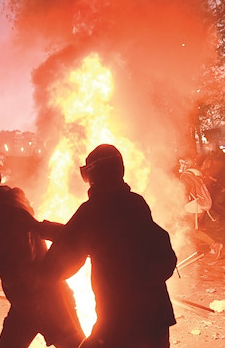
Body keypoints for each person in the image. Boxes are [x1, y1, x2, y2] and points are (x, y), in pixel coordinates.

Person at [40, 144, 177, 347]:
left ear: (94, 174)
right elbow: (84, 236)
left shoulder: (93, 209)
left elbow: (66, 252)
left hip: (117, 322)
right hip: (155, 317)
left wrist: (40, 273)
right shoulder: (135, 202)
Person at [0, 162, 84, 348]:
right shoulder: (7, 202)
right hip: (27, 300)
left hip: (45, 300)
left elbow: (13, 257)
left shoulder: (2, 212)